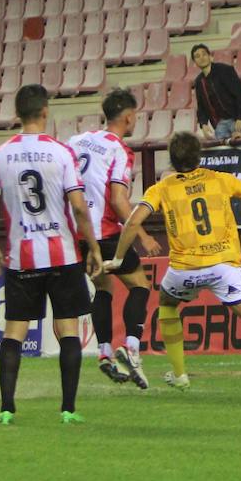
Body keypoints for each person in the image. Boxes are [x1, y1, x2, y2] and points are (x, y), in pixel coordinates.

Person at [107, 131, 241, 400]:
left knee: (167, 303)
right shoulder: (219, 180)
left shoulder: (162, 188)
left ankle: (180, 374)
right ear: (199, 156)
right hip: (223, 266)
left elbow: (134, 222)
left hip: (184, 270)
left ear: (172, 159)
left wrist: (118, 257)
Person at [0, 84, 104, 425]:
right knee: (67, 329)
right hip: (62, 256)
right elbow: (79, 208)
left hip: (22, 260)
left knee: (14, 333)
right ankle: (67, 409)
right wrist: (92, 247)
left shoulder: (1, 155)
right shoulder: (61, 153)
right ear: (46, 112)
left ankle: (6, 408)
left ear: (17, 114)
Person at [68, 88, 162, 389]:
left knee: (104, 288)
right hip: (104, 232)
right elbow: (120, 201)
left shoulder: (77, 141)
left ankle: (105, 353)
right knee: (139, 286)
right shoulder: (119, 150)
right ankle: (131, 348)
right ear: (128, 116)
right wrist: (143, 235)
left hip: (76, 233)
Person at [190, 43, 241, 141]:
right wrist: (203, 124)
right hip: (221, 123)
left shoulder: (225, 70)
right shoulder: (199, 81)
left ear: (210, 56)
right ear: (194, 62)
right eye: (197, 56)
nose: (201, 58)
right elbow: (201, 107)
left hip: (237, 118)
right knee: (222, 152)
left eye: (204, 54)